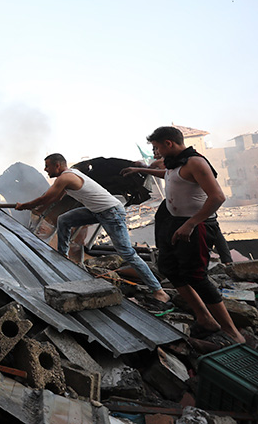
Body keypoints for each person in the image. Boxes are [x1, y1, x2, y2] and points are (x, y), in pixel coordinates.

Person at [122, 127, 244, 343]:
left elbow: (217, 197)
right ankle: (204, 318)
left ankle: (232, 332)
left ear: (169, 143)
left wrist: (191, 223)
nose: (155, 152)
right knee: (170, 269)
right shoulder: (175, 164)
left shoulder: (195, 162)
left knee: (196, 276)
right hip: (175, 224)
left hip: (196, 226)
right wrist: (141, 171)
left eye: (157, 147)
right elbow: (170, 177)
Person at [16, 153, 170, 305]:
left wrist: (25, 206)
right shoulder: (68, 176)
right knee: (64, 220)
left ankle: (159, 292)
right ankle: (63, 256)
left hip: (111, 212)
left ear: (57, 165)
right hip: (98, 211)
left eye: (47, 166)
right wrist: (31, 206)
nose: (45, 169)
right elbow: (55, 198)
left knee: (127, 253)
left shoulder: (66, 177)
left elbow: (46, 199)